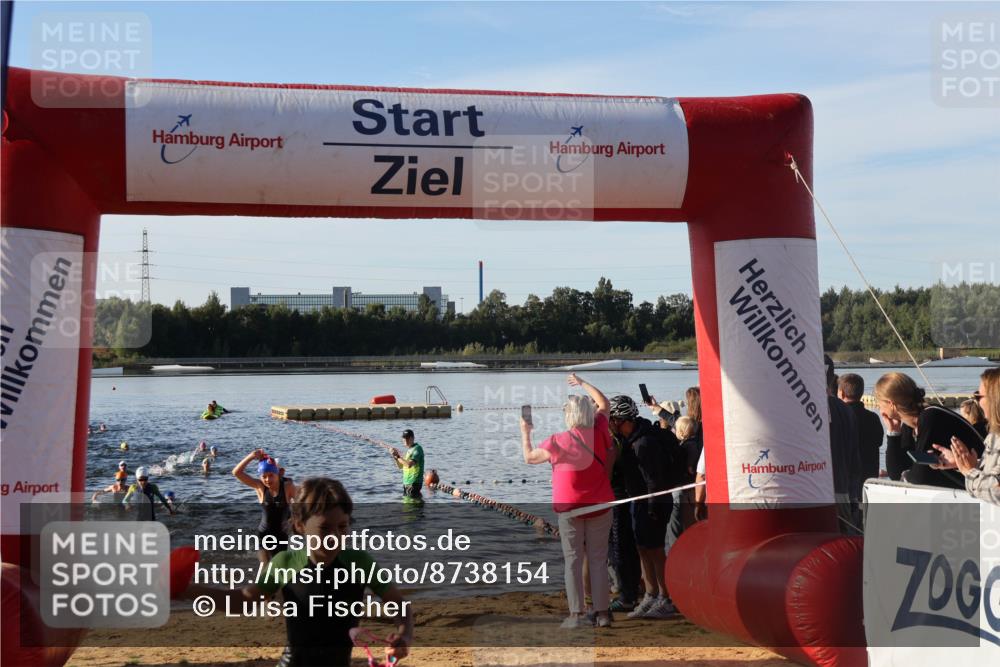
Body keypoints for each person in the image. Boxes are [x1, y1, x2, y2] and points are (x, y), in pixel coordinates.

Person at [185, 478, 413, 666]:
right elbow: (243, 600)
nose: (335, 536)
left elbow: (400, 606)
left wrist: (404, 636)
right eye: (324, 528)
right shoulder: (286, 562)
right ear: (300, 526)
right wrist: (188, 590)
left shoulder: (359, 562)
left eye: (343, 527)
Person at [520, 374, 615, 628]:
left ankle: (577, 615)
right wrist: (582, 382)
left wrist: (525, 432)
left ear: (568, 415)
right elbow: (604, 402)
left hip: (570, 508)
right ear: (588, 413)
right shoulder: (599, 430)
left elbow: (529, 458)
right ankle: (603, 613)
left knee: (573, 561)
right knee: (598, 559)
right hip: (600, 505)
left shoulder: (556, 440)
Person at [608, 395, 675, 619]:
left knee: (655, 550)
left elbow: (655, 480)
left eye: (612, 420)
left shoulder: (644, 442)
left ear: (620, 419)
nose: (610, 425)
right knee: (642, 549)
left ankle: (666, 598)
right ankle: (650, 593)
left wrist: (653, 510)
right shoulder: (629, 440)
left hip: (654, 504)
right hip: (638, 502)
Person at [877, 371, 985, 489]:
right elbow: (896, 474)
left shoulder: (931, 417)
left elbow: (920, 477)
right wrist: (893, 433)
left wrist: (907, 475)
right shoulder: (910, 425)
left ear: (891, 404)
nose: (878, 407)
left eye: (879, 402)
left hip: (982, 489)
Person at [931, 368, 1000, 505]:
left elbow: (996, 490)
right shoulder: (994, 434)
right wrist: (961, 463)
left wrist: (970, 471)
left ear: (995, 399)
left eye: (978, 397)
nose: (977, 403)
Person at [233, 449, 297, 562]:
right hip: (264, 533)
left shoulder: (287, 487)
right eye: (264, 476)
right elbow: (236, 473)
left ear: (278, 473)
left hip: (281, 535)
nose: (267, 479)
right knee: (265, 565)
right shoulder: (260, 487)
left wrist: (294, 520)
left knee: (280, 566)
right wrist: (251, 456)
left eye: (271, 475)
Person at [838, 373, 885, 483]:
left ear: (841, 393)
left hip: (847, 479)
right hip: (869, 478)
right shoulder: (873, 417)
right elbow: (879, 441)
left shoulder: (839, 417)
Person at [391, 430, 424, 501]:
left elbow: (409, 464)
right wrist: (395, 457)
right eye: (404, 438)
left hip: (414, 483)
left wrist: (398, 457)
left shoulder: (417, 449)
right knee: (407, 507)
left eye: (408, 438)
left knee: (412, 508)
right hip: (407, 483)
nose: (405, 440)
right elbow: (400, 466)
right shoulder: (409, 451)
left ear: (412, 438)